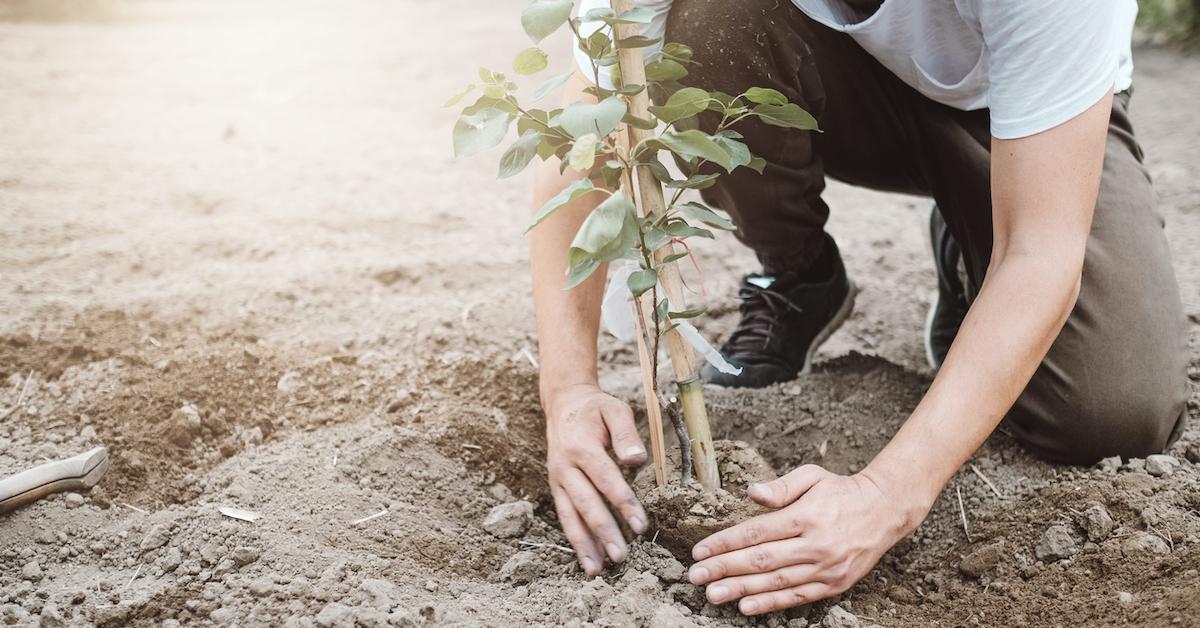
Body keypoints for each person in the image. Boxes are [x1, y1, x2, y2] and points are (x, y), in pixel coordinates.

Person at [529, 0, 1190, 616]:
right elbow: (584, 131)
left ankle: (975, 244)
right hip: (838, 84)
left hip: (1021, 123)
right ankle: (799, 276)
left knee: (1112, 410)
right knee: (712, 20)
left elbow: (1042, 251)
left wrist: (886, 496)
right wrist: (568, 392)